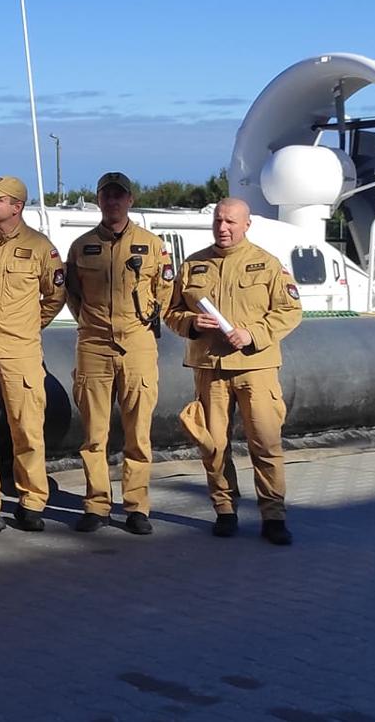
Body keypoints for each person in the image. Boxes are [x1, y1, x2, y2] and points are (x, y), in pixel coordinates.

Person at [164, 197, 303, 545]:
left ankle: (273, 515)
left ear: (246, 225)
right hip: (210, 367)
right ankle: (224, 510)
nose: (223, 228)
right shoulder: (194, 265)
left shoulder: (267, 264)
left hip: (255, 367)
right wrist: (192, 322)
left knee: (265, 441)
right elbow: (171, 312)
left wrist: (252, 333)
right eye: (218, 221)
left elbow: (289, 311)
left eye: (230, 222)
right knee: (213, 444)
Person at [63, 172, 172, 535]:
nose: (113, 202)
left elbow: (165, 293)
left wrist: (138, 326)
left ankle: (137, 506)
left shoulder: (153, 246)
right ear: (98, 200)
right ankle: (96, 504)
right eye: (106, 196)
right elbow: (73, 294)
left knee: (137, 432)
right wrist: (93, 325)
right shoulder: (81, 247)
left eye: (119, 196)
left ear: (130, 200)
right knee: (94, 435)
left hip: (138, 345)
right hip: (94, 345)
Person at [0, 176, 66, 532]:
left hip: (19, 349)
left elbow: (54, 296)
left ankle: (32, 499)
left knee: (27, 429)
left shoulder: (40, 248)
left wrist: (27, 326)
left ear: (17, 207)